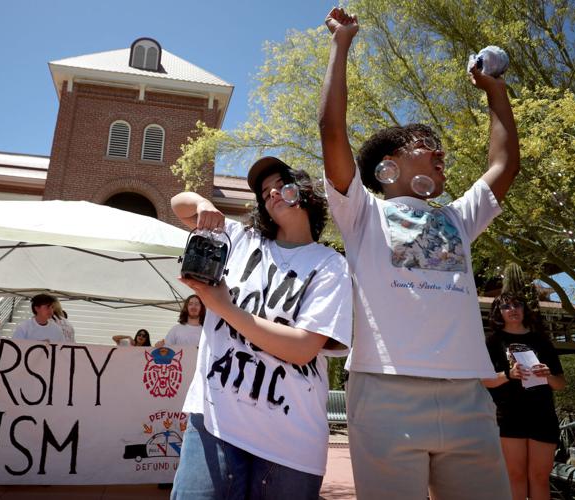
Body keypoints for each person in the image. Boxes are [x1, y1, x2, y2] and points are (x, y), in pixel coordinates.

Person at [318, 7, 521, 499]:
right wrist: (341, 44)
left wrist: (495, 91)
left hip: (468, 397)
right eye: (425, 144)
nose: (440, 152)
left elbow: (505, 163)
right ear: (388, 167)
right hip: (385, 392)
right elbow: (331, 131)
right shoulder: (361, 212)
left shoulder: (456, 217)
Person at [169, 157, 353, 500]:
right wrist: (204, 204)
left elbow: (302, 348)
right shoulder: (240, 239)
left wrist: (223, 307)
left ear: (304, 192)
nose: (271, 195)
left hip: (291, 441)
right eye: (264, 193)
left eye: (280, 185)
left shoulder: (331, 265)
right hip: (215, 422)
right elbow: (178, 204)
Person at [483, 293, 565, 500]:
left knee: (539, 476)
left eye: (517, 305)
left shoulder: (541, 341)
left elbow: (560, 383)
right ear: (498, 313)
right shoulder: (493, 342)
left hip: (542, 416)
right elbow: (483, 381)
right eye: (506, 306)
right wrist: (508, 375)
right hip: (510, 416)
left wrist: (547, 376)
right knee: (515, 475)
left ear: (524, 309)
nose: (512, 309)